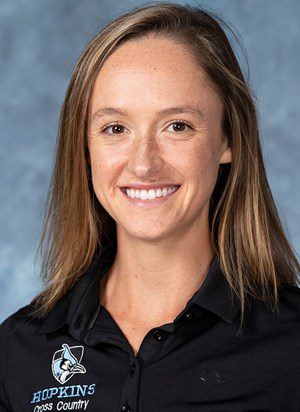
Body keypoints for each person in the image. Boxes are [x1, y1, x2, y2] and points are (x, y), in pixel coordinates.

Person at [1, 2, 299, 411]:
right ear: (85, 148)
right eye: (115, 128)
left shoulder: (291, 348)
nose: (143, 162)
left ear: (228, 140)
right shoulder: (18, 352)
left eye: (177, 126)